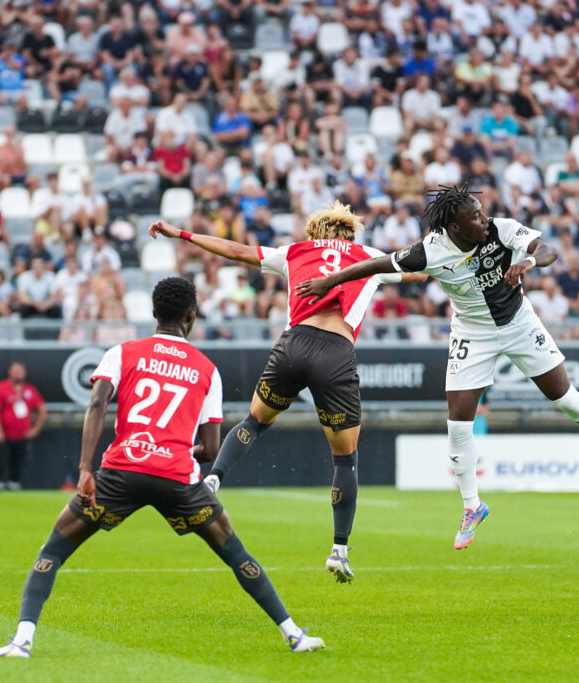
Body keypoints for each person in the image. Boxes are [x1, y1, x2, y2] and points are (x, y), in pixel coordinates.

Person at [0, 278, 324, 658]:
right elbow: (212, 448)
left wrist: (85, 469)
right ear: (191, 316)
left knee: (54, 550)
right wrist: (176, 450)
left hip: (119, 474)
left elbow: (97, 404)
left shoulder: (122, 352)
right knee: (235, 552)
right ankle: (294, 634)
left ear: (153, 313)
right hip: (177, 480)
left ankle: (22, 640)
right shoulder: (206, 369)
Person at [296, 183, 579, 550]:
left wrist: (527, 262)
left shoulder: (502, 229)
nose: (484, 219)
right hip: (472, 335)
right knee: (457, 422)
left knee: (565, 398)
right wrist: (328, 282)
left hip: (519, 324)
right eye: (475, 216)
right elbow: (377, 264)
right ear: (456, 227)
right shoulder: (430, 252)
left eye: (482, 212)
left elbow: (547, 249)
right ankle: (472, 506)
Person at [148, 203, 424, 581]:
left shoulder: (294, 252)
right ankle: (339, 551)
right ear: (350, 234)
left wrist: (181, 234)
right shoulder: (370, 257)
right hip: (336, 352)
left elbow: (236, 250)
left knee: (255, 421)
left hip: (294, 344)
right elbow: (417, 270)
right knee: (345, 460)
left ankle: (213, 478)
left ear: (315, 233)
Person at [0, 361, 47, 491]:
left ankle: (14, 483)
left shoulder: (29, 390)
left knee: (18, 460)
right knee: (1, 459)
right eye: (16, 371)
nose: (18, 374)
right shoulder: (2, 388)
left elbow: (42, 409)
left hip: (22, 434)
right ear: (10, 372)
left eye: (20, 371)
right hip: (5, 432)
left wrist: (35, 429)